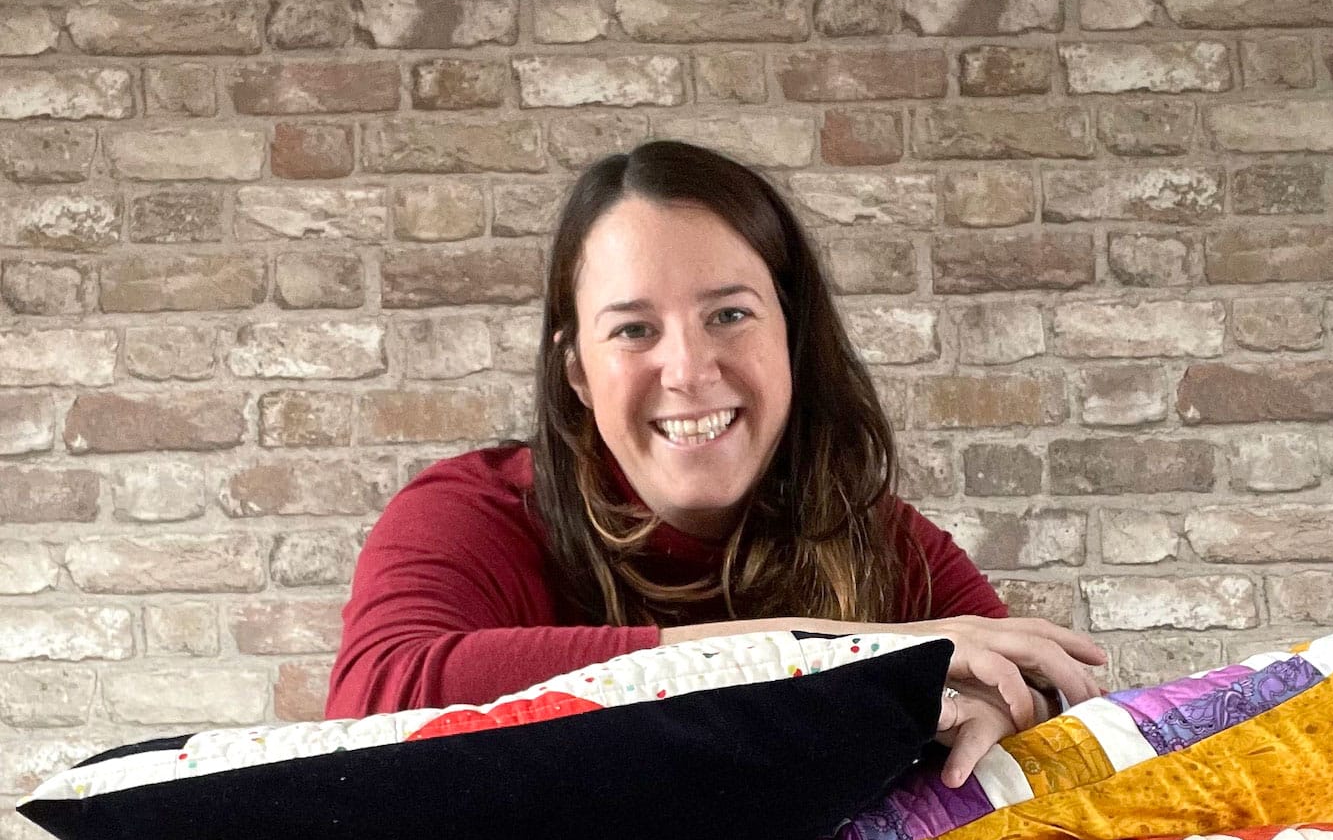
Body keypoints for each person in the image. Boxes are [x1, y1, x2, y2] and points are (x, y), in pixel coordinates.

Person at [327, 139, 1106, 785]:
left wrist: (1011, 709)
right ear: (576, 373)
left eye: (729, 315)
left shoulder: (875, 537)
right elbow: (373, 705)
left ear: (791, 338)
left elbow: (1034, 679)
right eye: (634, 331)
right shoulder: (470, 514)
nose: (690, 370)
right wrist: (838, 654)